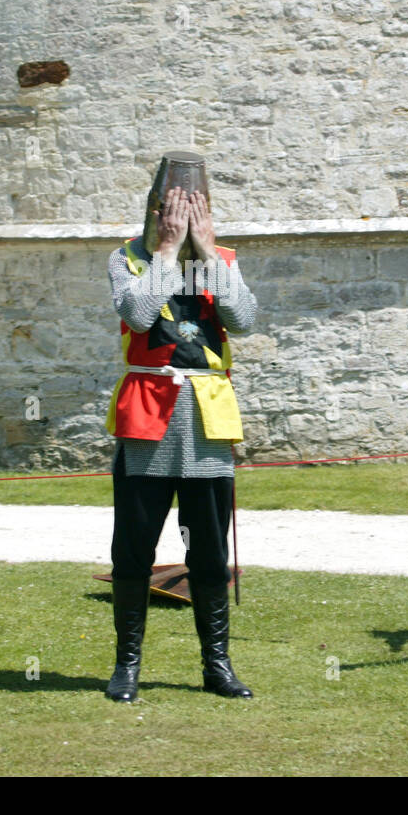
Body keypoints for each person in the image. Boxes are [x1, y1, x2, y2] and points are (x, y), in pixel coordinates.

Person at [104, 152, 257, 701]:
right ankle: (127, 667)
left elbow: (243, 319)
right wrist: (167, 252)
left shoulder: (223, 260)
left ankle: (216, 665)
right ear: (155, 210)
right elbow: (140, 315)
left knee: (210, 551)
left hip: (208, 421)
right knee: (134, 547)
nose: (184, 218)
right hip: (147, 417)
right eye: (174, 209)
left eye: (195, 210)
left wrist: (209, 253)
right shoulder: (127, 260)